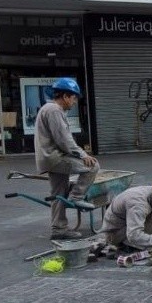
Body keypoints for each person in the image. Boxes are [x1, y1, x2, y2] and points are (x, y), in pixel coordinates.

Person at [34, 77, 100, 240]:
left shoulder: (47, 108)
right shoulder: (54, 110)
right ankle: (76, 197)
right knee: (93, 166)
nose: (75, 102)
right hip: (55, 157)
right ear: (65, 96)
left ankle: (59, 229)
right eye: (74, 98)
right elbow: (64, 140)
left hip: (48, 158)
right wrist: (83, 154)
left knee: (58, 193)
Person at [99, 177, 152, 252]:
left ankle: (141, 241)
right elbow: (134, 235)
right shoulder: (138, 205)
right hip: (115, 233)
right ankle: (127, 246)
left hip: (129, 225)